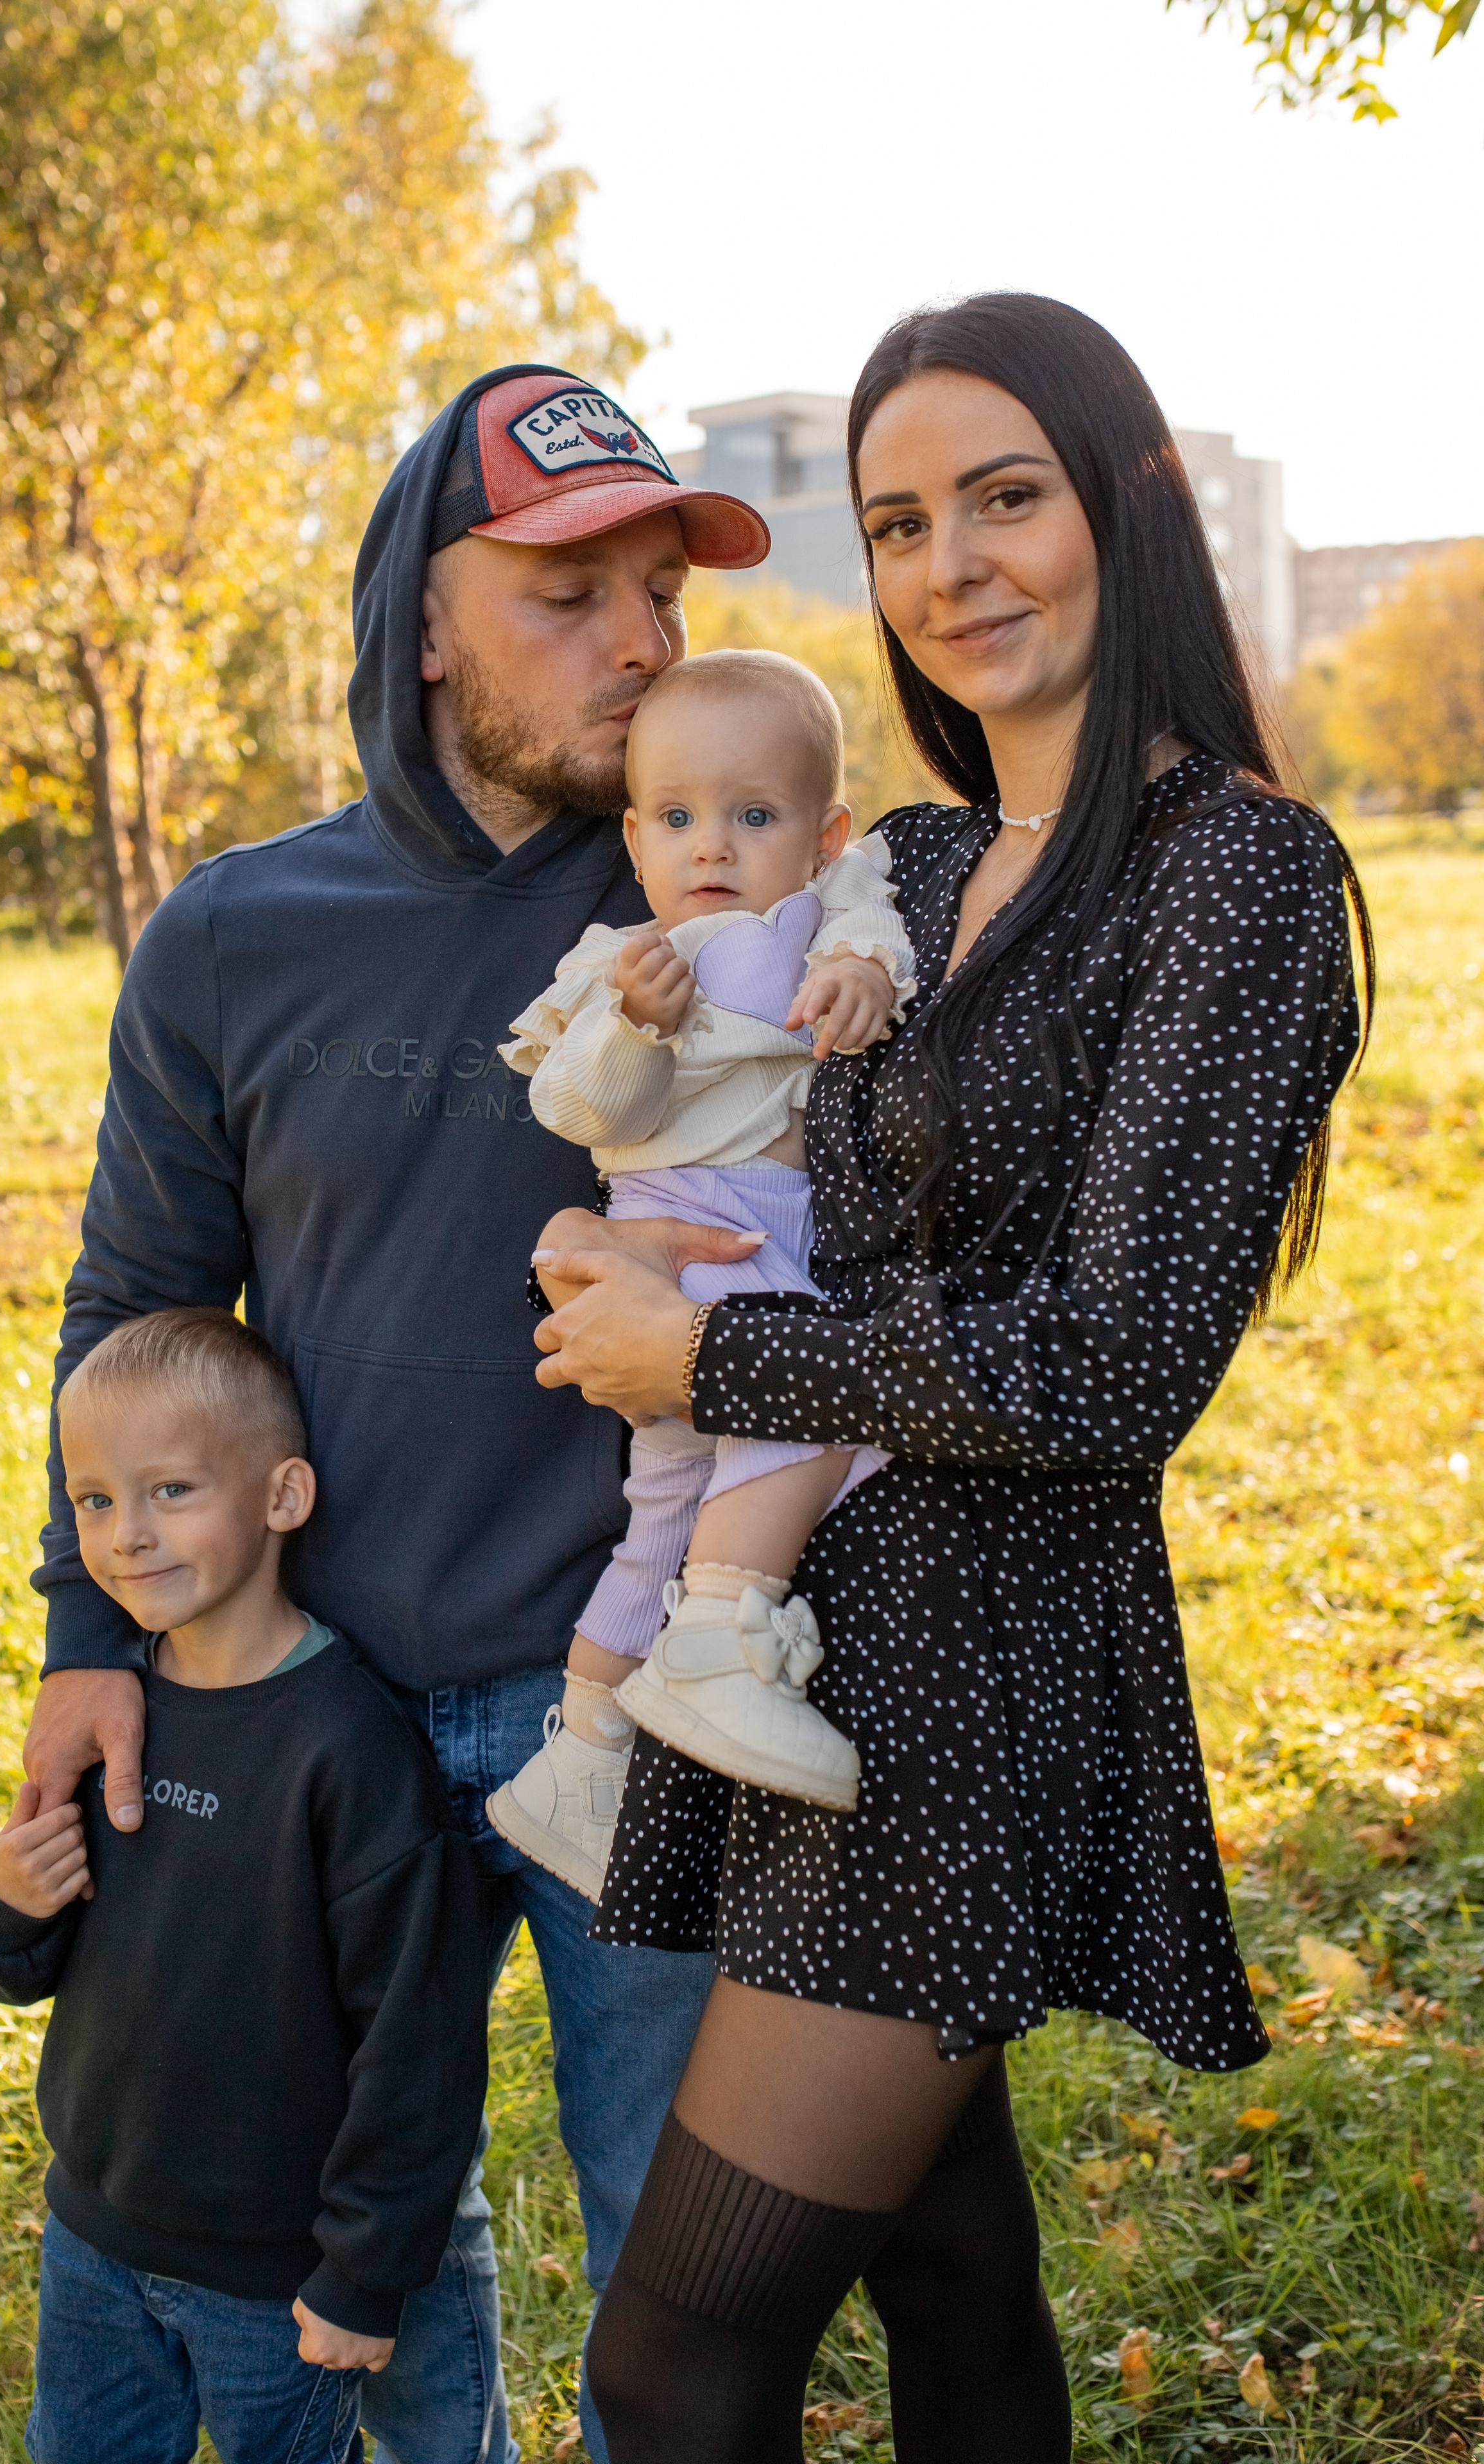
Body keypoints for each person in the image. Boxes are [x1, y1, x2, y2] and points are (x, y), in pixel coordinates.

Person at [526, 294, 1372, 2463]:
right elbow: (713, 1113)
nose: (951, 564)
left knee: (675, 2359)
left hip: (978, 1685)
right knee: (950, 2264)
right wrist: (620, 1239)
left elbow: (1110, 1362)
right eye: (901, 522)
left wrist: (710, 1347)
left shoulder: (1237, 875)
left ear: (1128, 508)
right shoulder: (892, 867)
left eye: (1008, 498)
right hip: (810, 1630)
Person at [19, 367, 772, 2464]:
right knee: (354, 2246)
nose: (642, 640)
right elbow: (137, 1308)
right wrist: (91, 1651)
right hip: (300, 1709)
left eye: (660, 594)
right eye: (569, 592)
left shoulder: (718, 915)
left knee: (677, 2284)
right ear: (423, 622)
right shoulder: (239, 934)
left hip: (628, 1708)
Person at [0, 1309, 491, 2464]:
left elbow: (420, 2042)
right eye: (95, 1500)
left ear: (282, 1497)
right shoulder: (117, 1715)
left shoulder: (348, 1751)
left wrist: (362, 2273)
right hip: (91, 2242)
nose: (127, 1536)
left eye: (172, 1491)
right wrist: (5, 1899)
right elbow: (9, 1965)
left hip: (274, 2281)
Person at [487, 649, 913, 1898]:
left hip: (761, 1229)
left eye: (753, 816)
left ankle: (584, 1750)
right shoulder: (616, 964)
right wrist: (634, 1026)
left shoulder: (830, 914)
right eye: (675, 820)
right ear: (633, 836)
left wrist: (862, 973)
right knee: (811, 1423)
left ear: (824, 834)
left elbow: (879, 938)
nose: (710, 847)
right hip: (691, 1232)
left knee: (662, 1506)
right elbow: (572, 1107)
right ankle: (718, 1642)